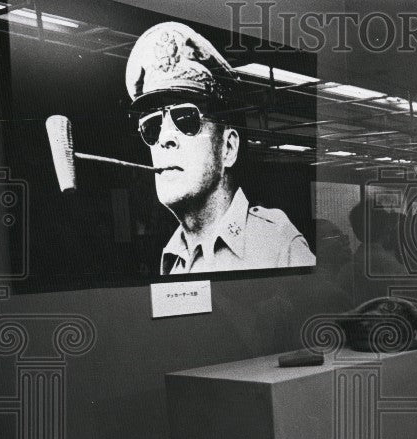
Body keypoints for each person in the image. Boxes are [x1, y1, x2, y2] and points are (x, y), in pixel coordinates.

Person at [125, 22, 315, 275]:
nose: (165, 138)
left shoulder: (278, 246)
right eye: (152, 126)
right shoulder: (172, 258)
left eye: (186, 119)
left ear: (228, 147)